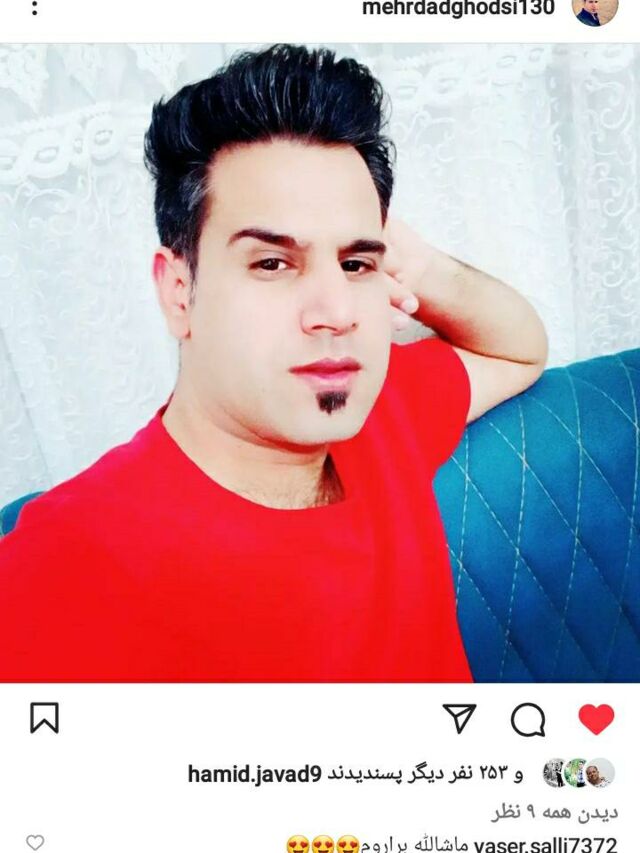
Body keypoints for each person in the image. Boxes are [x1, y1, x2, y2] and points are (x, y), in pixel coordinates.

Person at [0, 44, 548, 682]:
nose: (335, 312)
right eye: (272, 263)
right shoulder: (64, 562)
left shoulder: (377, 406)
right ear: (179, 292)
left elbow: (518, 347)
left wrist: (418, 267)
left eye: (354, 263)